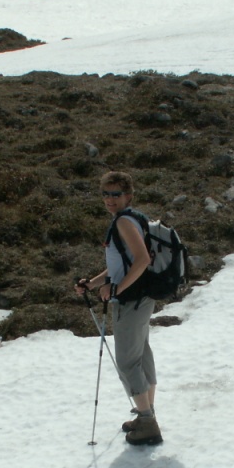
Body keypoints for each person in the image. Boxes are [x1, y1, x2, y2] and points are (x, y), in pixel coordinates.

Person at [74, 171, 162, 446]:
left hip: (131, 300)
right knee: (141, 355)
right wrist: (94, 283)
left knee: (127, 361)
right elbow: (122, 264)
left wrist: (117, 289)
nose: (110, 199)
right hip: (141, 296)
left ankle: (147, 423)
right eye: (106, 194)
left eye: (116, 194)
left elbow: (142, 260)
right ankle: (147, 413)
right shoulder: (133, 218)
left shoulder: (124, 222)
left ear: (128, 195)